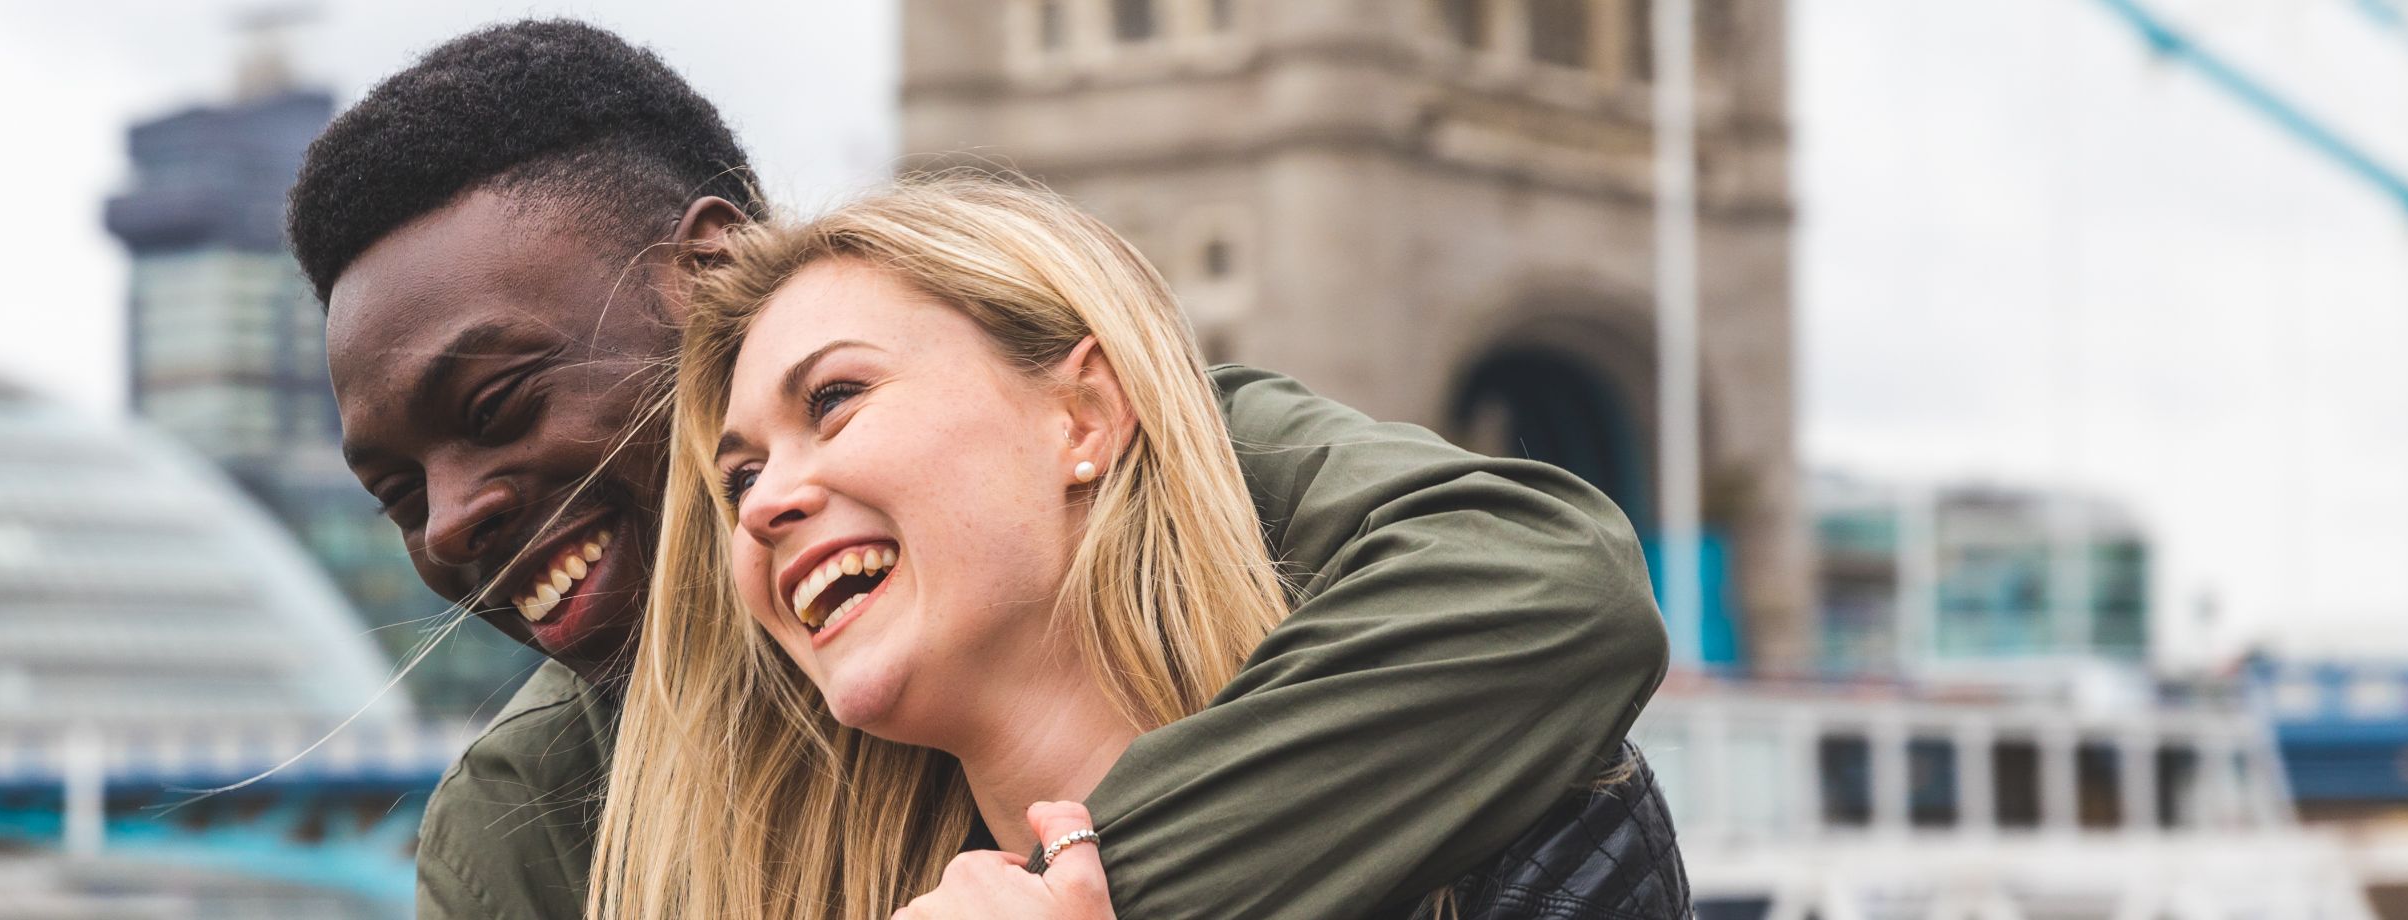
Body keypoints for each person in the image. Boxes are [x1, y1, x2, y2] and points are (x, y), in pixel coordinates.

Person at [291, 20, 1671, 918]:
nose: (453, 521)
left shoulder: (1190, 459)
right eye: (397, 495)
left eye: (500, 402)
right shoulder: (525, 824)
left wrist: (1078, 886)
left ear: (1088, 417)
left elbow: (1550, 589)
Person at [604, 178, 1673, 919]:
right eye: (739, 477)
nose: (762, 505)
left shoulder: (1544, 834)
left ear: (1083, 416)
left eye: (835, 397)